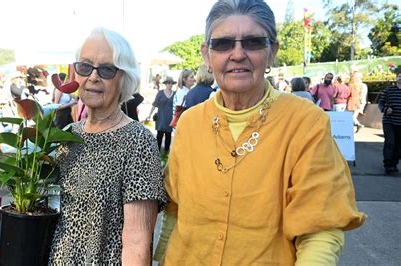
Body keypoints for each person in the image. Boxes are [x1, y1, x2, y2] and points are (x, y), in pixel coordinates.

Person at [154, 0, 365, 264]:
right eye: (223, 43)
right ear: (207, 55)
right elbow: (175, 212)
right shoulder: (190, 124)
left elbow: (319, 230)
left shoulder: (305, 122)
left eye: (253, 42)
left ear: (272, 51)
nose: (238, 53)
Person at [47, 27, 167, 264]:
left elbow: (137, 242)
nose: (93, 77)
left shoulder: (137, 141)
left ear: (124, 77)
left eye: (106, 69)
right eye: (85, 66)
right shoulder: (68, 135)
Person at [378, 69, 401, 175]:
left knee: (398, 145)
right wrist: (385, 109)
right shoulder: (389, 89)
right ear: (396, 77)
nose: (400, 78)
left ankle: (394, 163)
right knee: (390, 142)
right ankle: (388, 165)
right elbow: (381, 102)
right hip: (389, 121)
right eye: (399, 76)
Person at [145, 76, 176, 154]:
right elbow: (154, 104)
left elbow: (177, 106)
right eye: (168, 83)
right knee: (159, 136)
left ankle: (166, 153)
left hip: (170, 118)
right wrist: (149, 115)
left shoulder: (175, 93)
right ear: (166, 84)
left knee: (168, 136)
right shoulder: (160, 93)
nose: (170, 85)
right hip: (161, 117)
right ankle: (157, 154)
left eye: (171, 83)